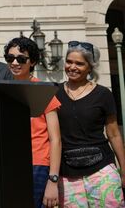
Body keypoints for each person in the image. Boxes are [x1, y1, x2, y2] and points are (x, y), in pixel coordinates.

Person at [56, 41, 125, 207]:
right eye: (69, 61)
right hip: (67, 173)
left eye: (79, 63)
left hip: (102, 169)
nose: (72, 67)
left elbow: (114, 133)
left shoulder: (103, 94)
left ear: (90, 67)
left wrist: (124, 168)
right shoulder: (53, 92)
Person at [4, 37, 61, 208]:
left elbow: (56, 139)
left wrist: (53, 180)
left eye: (21, 59)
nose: (15, 62)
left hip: (37, 165)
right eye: (10, 58)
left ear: (33, 62)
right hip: (8, 164)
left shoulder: (43, 91)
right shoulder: (2, 88)